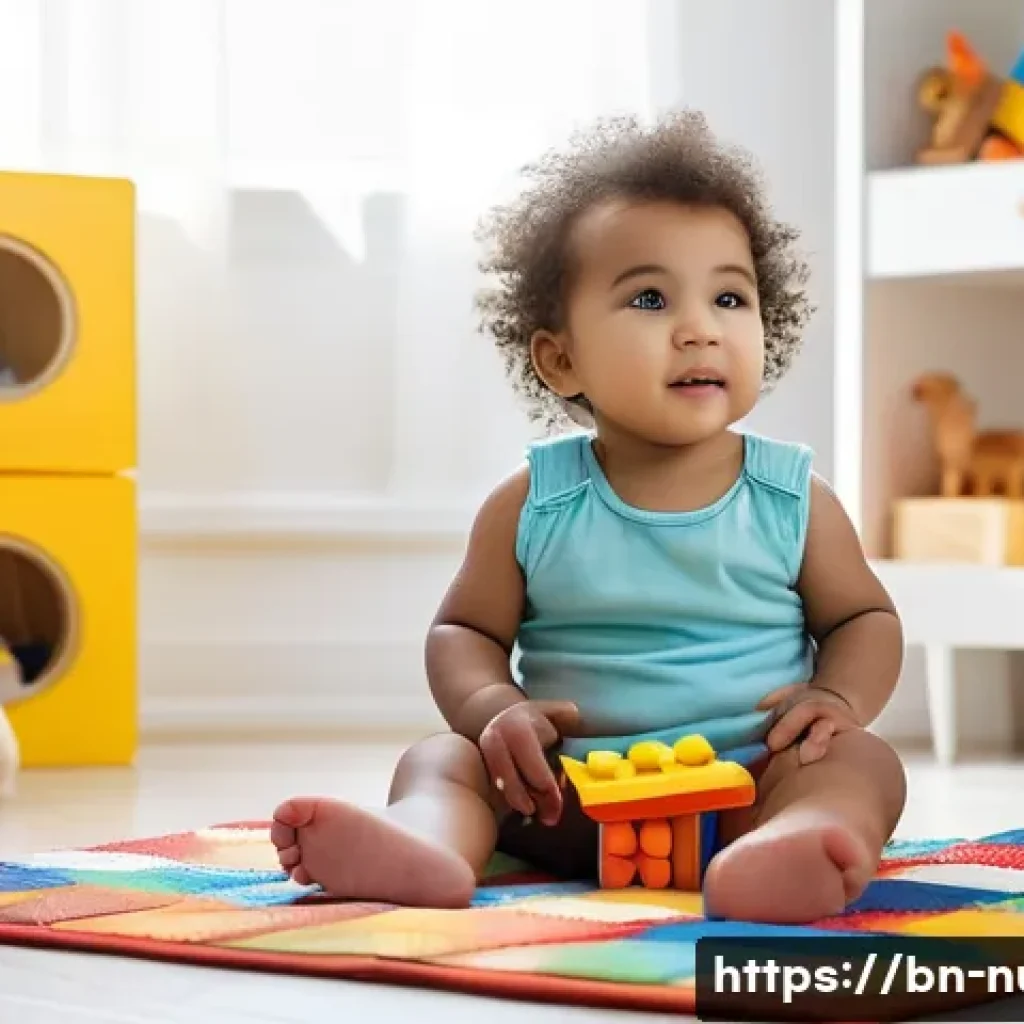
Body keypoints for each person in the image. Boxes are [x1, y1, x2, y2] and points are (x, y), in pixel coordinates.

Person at [270, 111, 906, 924]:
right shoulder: (534, 502)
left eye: (729, 296)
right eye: (650, 297)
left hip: (751, 782)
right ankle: (427, 840)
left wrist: (838, 699)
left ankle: (799, 840)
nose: (700, 328)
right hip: (562, 797)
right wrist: (495, 712)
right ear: (561, 358)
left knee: (864, 763)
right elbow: (462, 634)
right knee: (443, 759)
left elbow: (863, 616)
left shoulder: (791, 497)